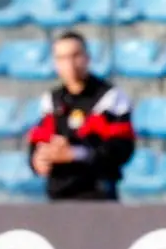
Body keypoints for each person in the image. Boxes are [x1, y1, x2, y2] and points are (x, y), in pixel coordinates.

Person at [27, 30, 135, 202]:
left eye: (75, 56)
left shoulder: (110, 98)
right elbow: (38, 142)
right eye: (62, 58)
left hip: (96, 195)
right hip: (58, 196)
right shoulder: (51, 101)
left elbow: (121, 149)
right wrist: (38, 161)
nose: (70, 64)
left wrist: (76, 153)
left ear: (87, 58)